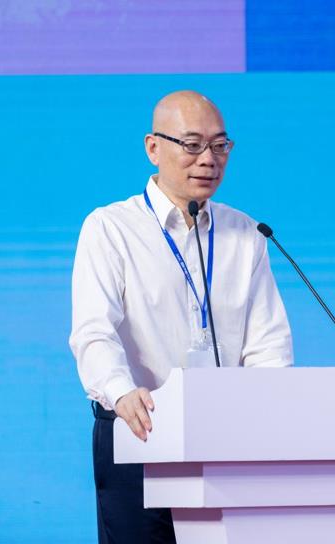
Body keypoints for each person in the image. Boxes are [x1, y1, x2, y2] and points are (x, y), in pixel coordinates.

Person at [69, 90, 293, 543]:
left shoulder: (246, 233)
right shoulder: (111, 228)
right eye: (192, 145)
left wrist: (269, 411)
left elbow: (268, 344)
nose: (208, 159)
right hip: (139, 432)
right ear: (153, 148)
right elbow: (94, 331)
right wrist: (120, 391)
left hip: (228, 438)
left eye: (220, 145)